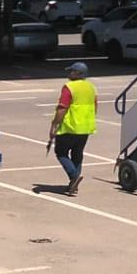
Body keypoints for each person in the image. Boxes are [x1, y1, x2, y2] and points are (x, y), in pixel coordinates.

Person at [47, 61, 97, 195]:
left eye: (72, 71)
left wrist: (54, 125)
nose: (69, 73)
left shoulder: (69, 87)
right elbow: (95, 106)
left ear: (77, 73)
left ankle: (74, 176)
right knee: (77, 153)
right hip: (85, 127)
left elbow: (62, 108)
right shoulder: (91, 87)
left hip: (70, 127)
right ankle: (73, 185)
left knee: (61, 152)